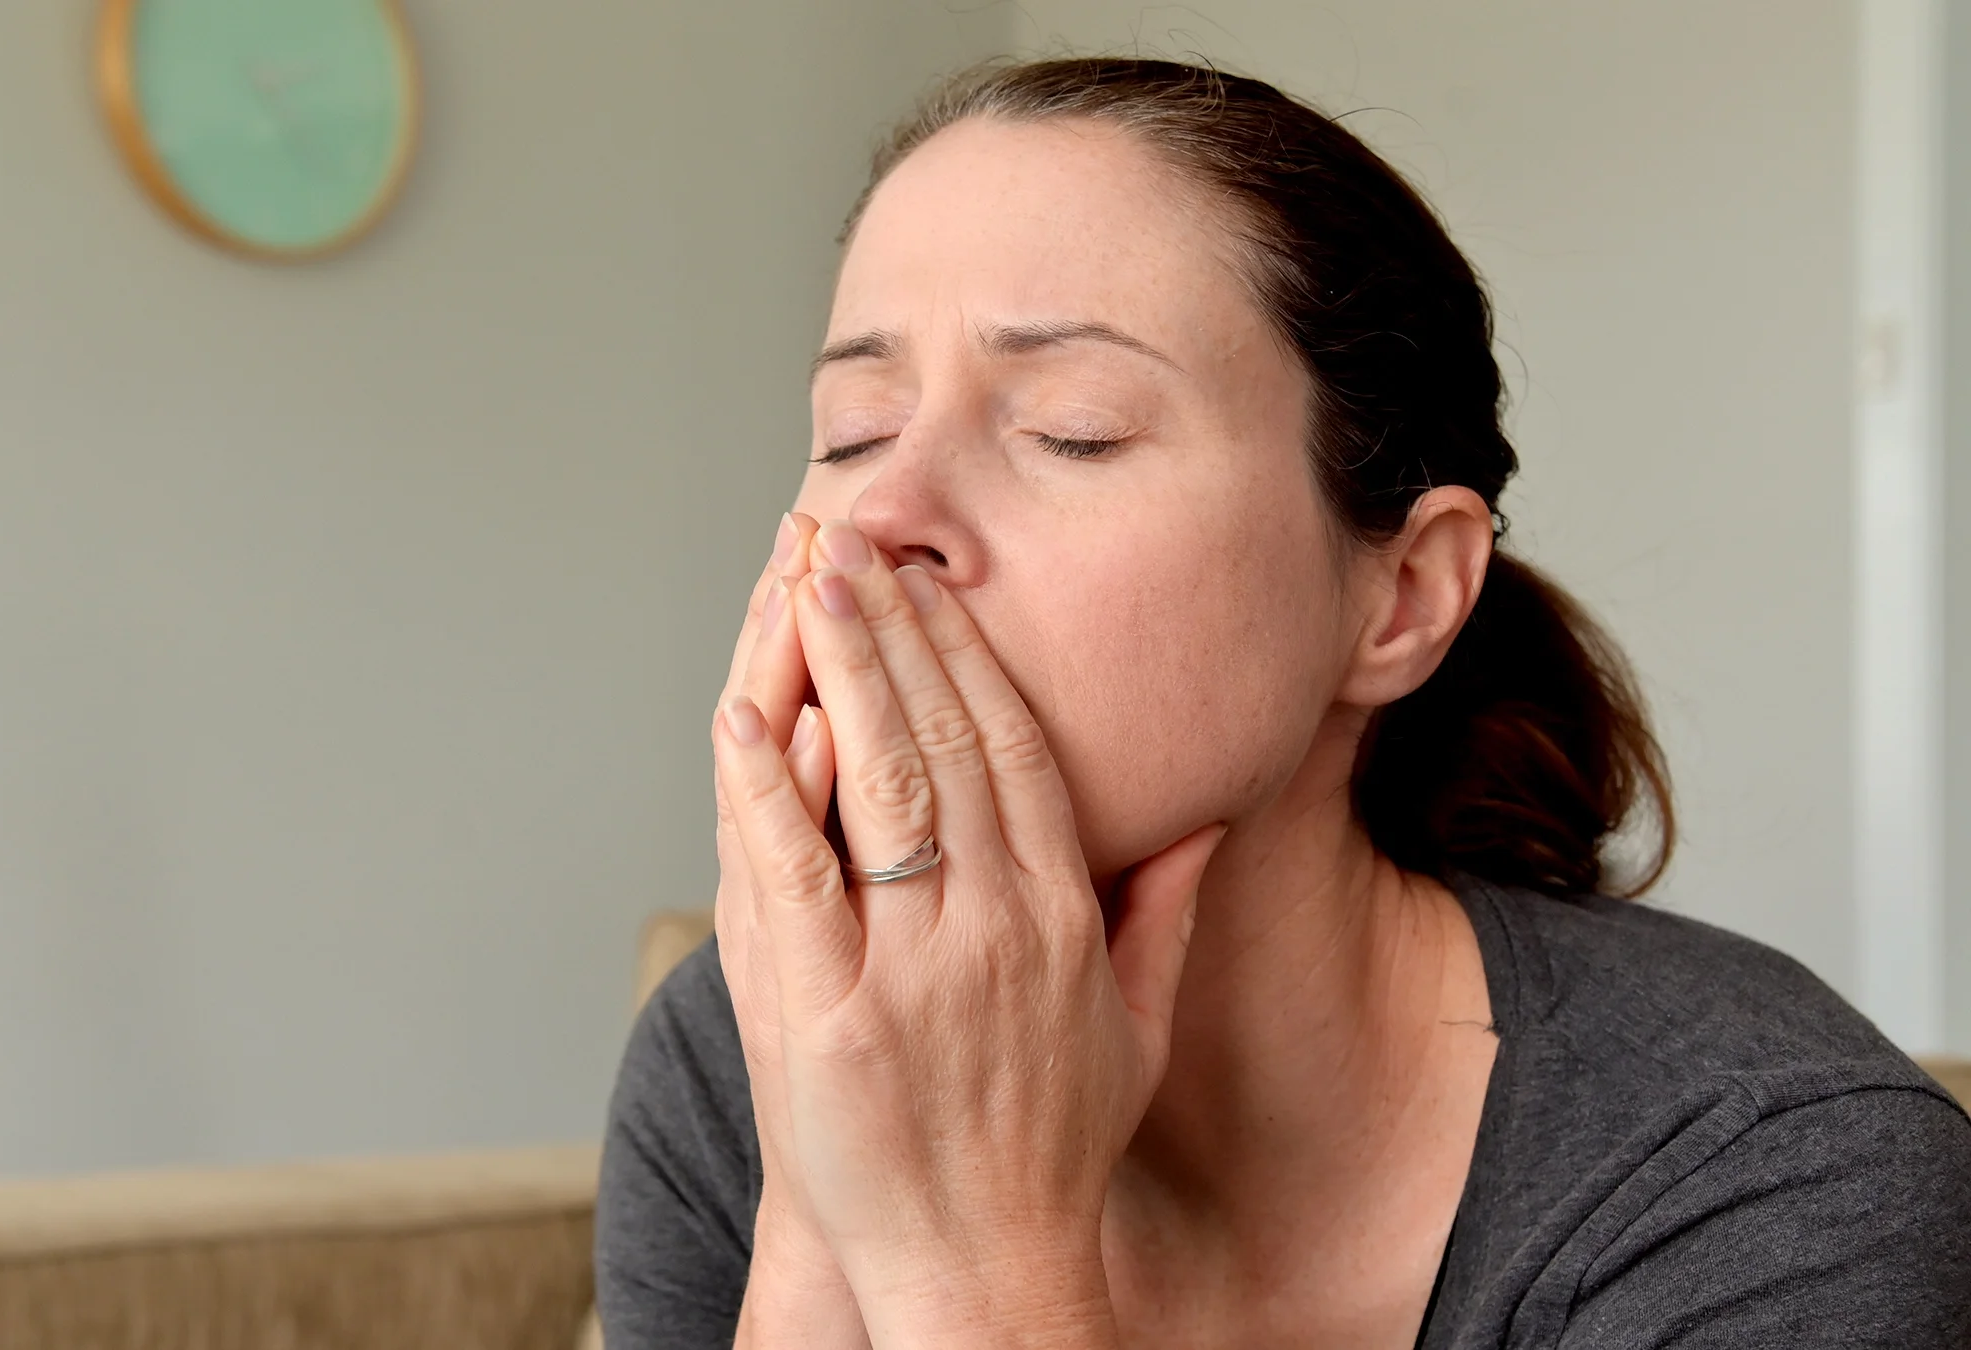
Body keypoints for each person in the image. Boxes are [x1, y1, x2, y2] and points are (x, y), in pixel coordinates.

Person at [595, 58, 1971, 1348]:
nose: (886, 512)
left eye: (1070, 424)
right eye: (853, 432)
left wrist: (961, 1259)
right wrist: (816, 1207)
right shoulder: (743, 1053)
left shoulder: (1772, 1181)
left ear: (1404, 596)